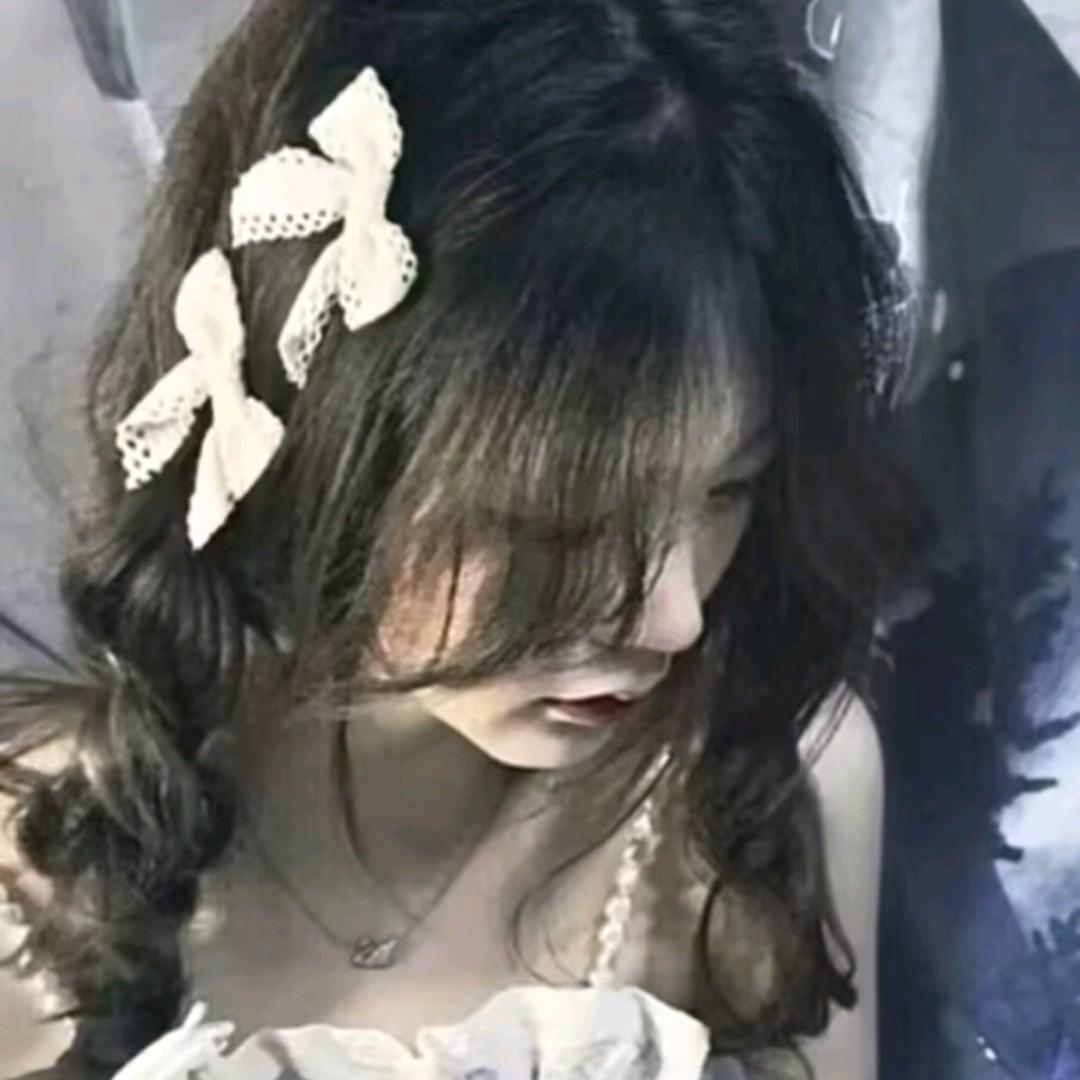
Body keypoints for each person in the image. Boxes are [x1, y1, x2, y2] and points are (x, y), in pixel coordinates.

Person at [0, 0, 928, 1076]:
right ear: (320, 445)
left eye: (728, 492)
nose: (673, 616)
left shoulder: (760, 800)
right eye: (560, 526)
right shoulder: (35, 860)